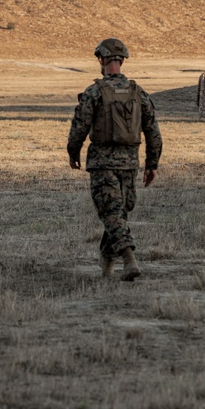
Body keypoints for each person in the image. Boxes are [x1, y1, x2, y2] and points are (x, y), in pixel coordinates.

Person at [67, 38, 162, 280]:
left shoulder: (94, 92)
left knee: (112, 214)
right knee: (118, 213)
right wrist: (152, 164)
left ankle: (128, 258)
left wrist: (73, 152)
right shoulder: (138, 92)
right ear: (121, 60)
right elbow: (152, 130)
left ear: (102, 59)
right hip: (129, 163)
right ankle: (107, 261)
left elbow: (79, 126)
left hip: (102, 163)